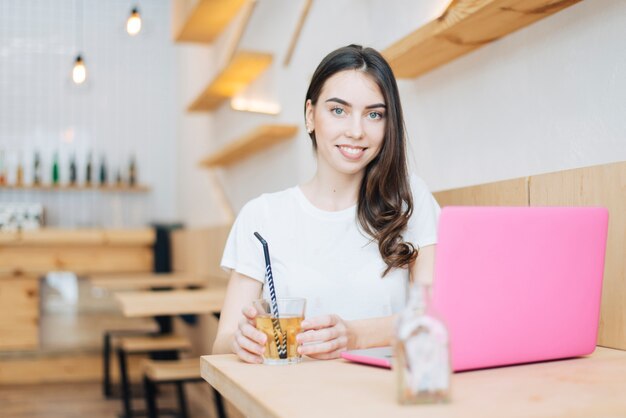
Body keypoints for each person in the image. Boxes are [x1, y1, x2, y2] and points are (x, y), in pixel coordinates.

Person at [212, 44, 440, 363]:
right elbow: (221, 341)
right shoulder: (262, 216)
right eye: (338, 110)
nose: (356, 131)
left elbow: (439, 314)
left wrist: (355, 335)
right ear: (310, 116)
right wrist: (240, 341)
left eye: (374, 114)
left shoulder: (409, 202)